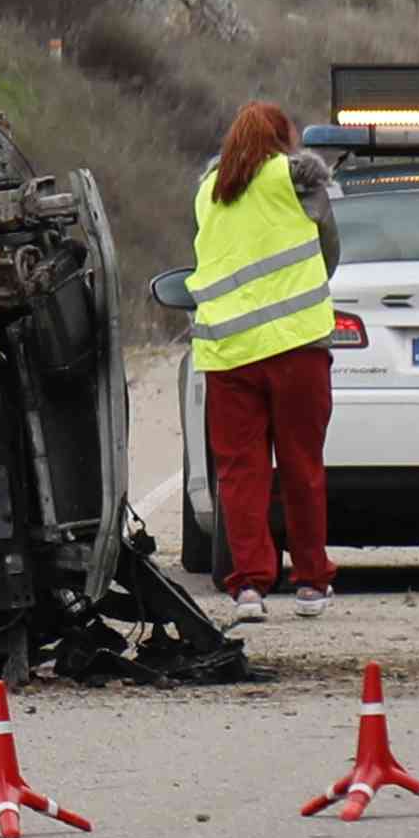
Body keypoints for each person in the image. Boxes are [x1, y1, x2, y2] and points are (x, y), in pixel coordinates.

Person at [179, 94, 340, 603]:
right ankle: (312, 579)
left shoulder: (208, 192)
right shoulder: (298, 181)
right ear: (282, 139)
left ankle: (249, 585)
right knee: (301, 466)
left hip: (228, 353)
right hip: (298, 349)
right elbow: (329, 251)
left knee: (241, 474)